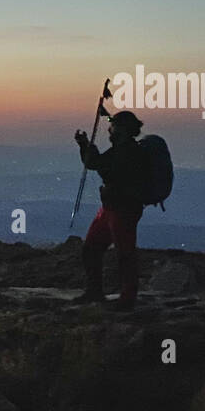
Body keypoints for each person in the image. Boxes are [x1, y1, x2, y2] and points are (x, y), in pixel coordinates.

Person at [73, 110, 146, 310]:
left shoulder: (128, 152)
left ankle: (126, 299)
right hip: (111, 208)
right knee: (92, 248)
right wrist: (86, 146)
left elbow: (100, 165)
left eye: (112, 127)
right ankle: (97, 292)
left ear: (121, 129)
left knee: (124, 253)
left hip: (123, 209)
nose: (109, 130)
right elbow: (98, 164)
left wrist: (86, 146)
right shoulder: (124, 149)